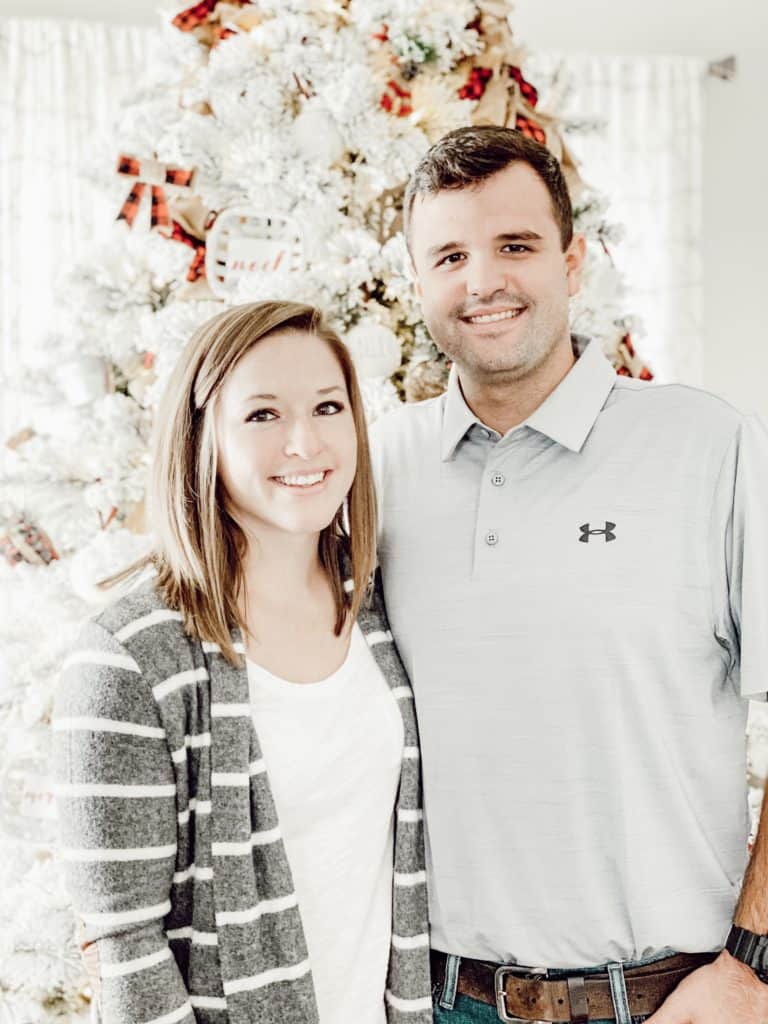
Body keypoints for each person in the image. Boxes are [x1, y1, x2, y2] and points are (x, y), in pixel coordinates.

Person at [369, 125, 768, 1024]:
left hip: (673, 999)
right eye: (449, 255)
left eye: (516, 246)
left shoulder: (709, 446)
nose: (484, 282)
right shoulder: (373, 469)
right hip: (441, 1001)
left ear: (573, 261)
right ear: (418, 282)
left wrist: (755, 960)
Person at [52, 301, 432, 1024]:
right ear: (204, 441)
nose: (305, 442)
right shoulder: (131, 657)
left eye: (328, 407)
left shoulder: (377, 612)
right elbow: (125, 946)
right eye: (262, 416)